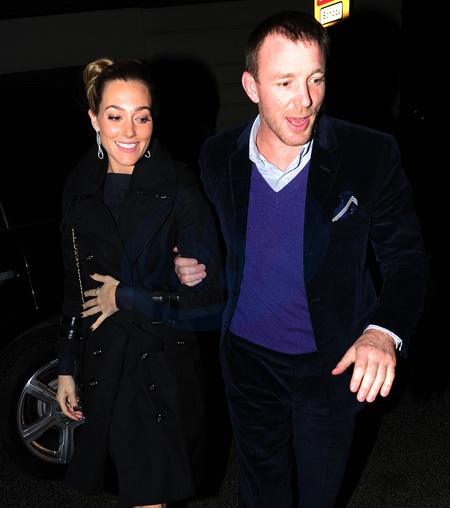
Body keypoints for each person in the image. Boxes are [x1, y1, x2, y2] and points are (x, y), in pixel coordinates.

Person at [174, 10, 429, 508]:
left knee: (319, 494)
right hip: (248, 360)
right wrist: (188, 259)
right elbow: (206, 234)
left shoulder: (369, 154)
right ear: (251, 86)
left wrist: (382, 332)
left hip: (331, 363)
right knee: (260, 493)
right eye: (285, 82)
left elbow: (407, 258)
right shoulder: (217, 155)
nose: (305, 100)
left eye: (316, 79)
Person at [55, 57, 225, 508]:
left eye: (142, 117)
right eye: (115, 116)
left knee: (150, 494)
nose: (129, 131)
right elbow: (75, 288)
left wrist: (127, 297)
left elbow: (211, 297)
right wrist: (67, 367)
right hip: (104, 365)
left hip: (160, 366)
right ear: (94, 119)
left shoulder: (179, 186)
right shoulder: (78, 189)